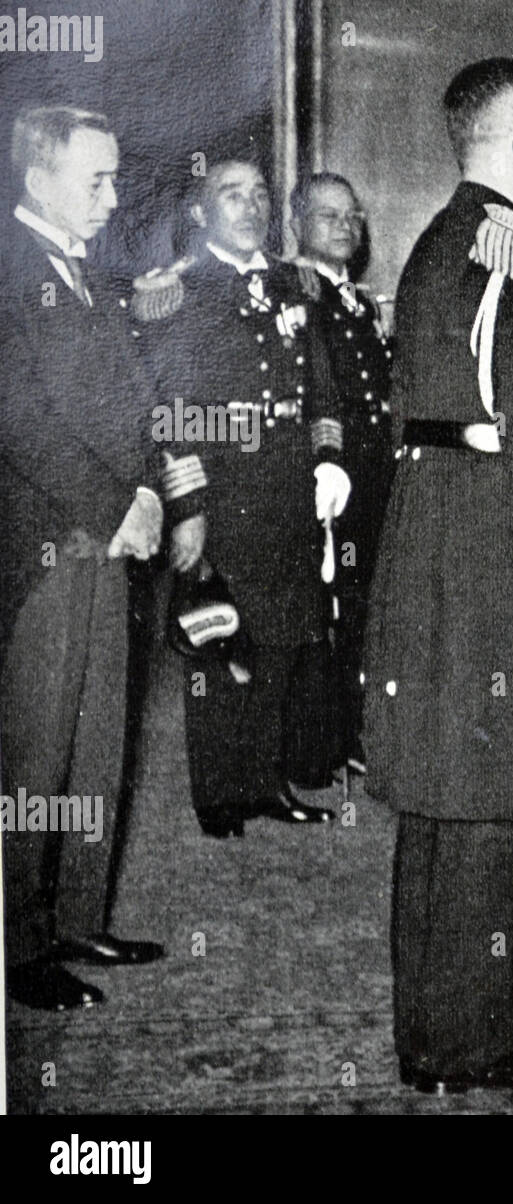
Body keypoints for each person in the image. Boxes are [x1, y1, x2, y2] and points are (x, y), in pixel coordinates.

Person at [362, 58, 513, 1093]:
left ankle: (428, 1035)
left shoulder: (437, 240)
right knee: (503, 806)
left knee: (439, 804)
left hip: (428, 536)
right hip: (497, 550)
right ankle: (470, 1046)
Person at [0, 105, 175, 1011]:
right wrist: (119, 508)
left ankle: (76, 915)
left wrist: (149, 494)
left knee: (98, 741)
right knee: (38, 752)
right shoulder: (10, 272)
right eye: (95, 180)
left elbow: (133, 404)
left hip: (108, 539)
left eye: (114, 178)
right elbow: (23, 421)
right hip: (49, 548)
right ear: (39, 181)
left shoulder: (91, 278)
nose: (113, 197)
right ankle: (18, 944)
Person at [136, 159, 347, 837]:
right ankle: (219, 793)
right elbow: (171, 408)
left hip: (289, 486)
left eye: (260, 195)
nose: (250, 206)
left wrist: (328, 460)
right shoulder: (181, 292)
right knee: (221, 635)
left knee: (283, 641)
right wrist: (189, 506)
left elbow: (320, 381)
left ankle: (266, 781)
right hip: (224, 492)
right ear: (202, 213)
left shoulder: (297, 282)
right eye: (233, 195)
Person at [289, 171, 394, 778]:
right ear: (297, 223)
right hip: (327, 473)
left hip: (370, 473)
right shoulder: (296, 292)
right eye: (329, 215)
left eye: (352, 216)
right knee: (321, 608)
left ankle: (348, 732)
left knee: (357, 605)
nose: (345, 226)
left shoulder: (358, 299)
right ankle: (312, 746)